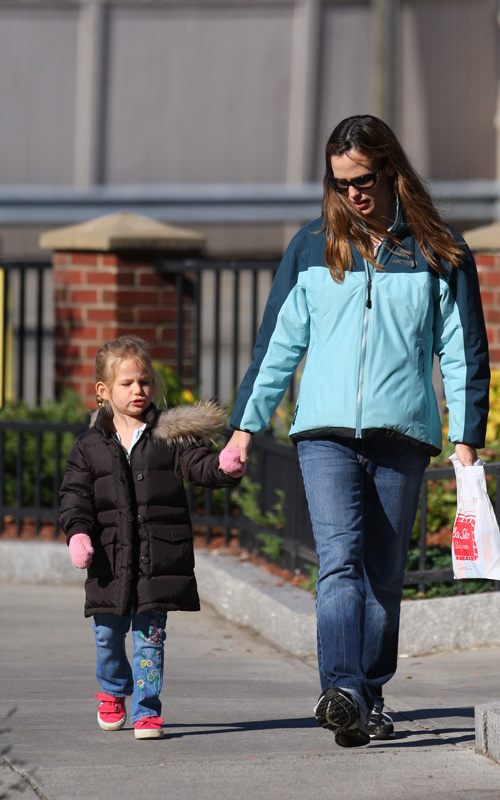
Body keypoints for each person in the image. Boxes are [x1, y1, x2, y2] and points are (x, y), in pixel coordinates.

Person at [226, 115, 489, 747]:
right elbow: (277, 346)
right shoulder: (312, 246)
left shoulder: (439, 251)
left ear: (392, 170)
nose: (354, 195)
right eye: (340, 183)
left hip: (403, 432)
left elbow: (463, 350)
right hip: (324, 431)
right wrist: (243, 427)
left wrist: (466, 436)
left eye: (364, 180)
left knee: (383, 574)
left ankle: (368, 696)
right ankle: (342, 688)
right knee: (339, 562)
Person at [60, 335, 246, 740]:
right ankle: (112, 691)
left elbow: (199, 466)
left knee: (150, 641)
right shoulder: (90, 445)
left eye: (144, 381)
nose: (138, 390)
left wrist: (224, 465)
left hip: (157, 561)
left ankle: (147, 710)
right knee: (108, 636)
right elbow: (74, 495)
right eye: (127, 384)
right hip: (108, 563)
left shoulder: (170, 436)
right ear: (104, 392)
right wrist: (78, 534)